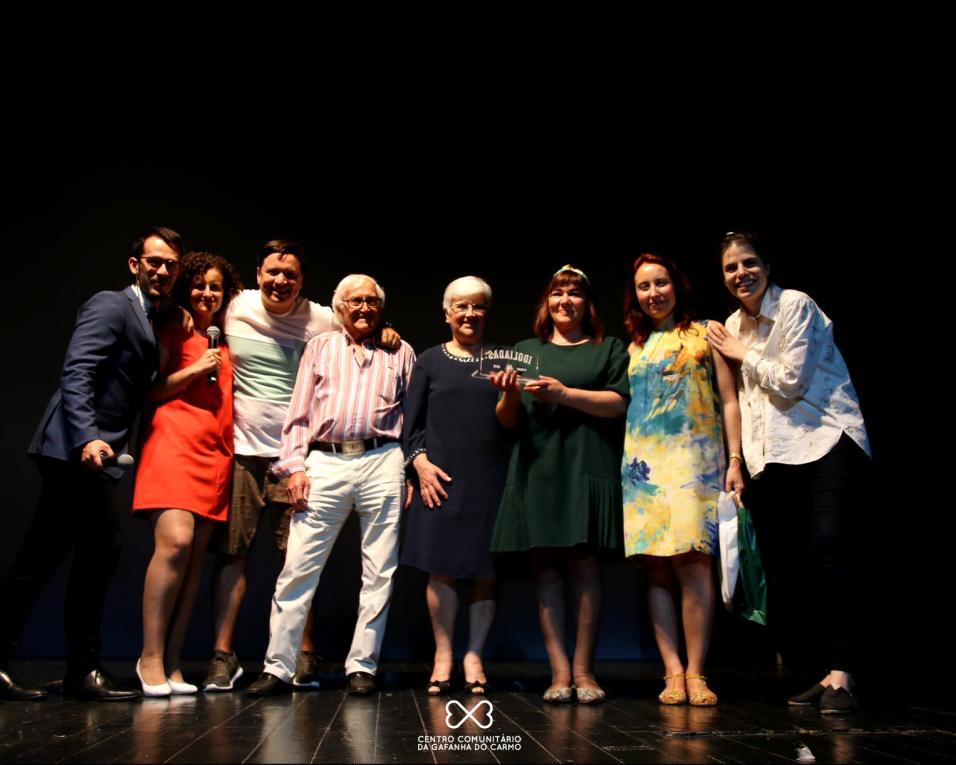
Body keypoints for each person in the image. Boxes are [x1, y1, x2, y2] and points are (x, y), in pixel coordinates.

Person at [204, 241, 399, 693]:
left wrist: (386, 328)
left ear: (302, 281)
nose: (280, 281)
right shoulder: (237, 306)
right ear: (257, 273)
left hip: (327, 458)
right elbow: (301, 406)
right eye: (272, 272)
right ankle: (233, 657)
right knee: (246, 555)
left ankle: (313, 659)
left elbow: (364, 321)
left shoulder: (327, 321)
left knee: (310, 558)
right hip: (258, 452)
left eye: (289, 274)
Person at [0, 226, 184, 702]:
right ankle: (83, 671)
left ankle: (69, 668)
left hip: (87, 455)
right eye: (154, 262)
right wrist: (88, 438)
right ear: (135, 265)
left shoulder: (150, 316)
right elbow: (77, 372)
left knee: (41, 560)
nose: (162, 271)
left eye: (170, 265)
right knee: (100, 550)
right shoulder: (112, 304)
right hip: (74, 452)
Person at [706, 231, 871, 715]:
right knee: (797, 564)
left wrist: (742, 353)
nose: (741, 274)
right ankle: (828, 672)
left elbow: (790, 380)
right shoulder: (734, 323)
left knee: (830, 547)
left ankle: (846, 670)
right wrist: (737, 461)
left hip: (827, 438)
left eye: (749, 263)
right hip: (774, 455)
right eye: (731, 268)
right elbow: (740, 402)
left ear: (767, 266)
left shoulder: (796, 305)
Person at [246, 274, 415, 697]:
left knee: (380, 570)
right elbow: (298, 413)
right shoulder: (320, 347)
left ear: (381, 307)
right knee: (298, 568)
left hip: (383, 458)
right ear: (339, 308)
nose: (363, 308)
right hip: (325, 459)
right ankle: (278, 667)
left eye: (371, 301)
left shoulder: (402, 351)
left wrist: (410, 470)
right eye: (355, 301)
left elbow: (415, 419)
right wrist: (295, 468)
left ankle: (363, 665)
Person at [489, 265, 629, 705]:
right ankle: (559, 672)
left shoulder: (608, 348)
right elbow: (507, 419)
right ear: (545, 302)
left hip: (586, 464)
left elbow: (618, 404)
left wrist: (564, 394)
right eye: (556, 293)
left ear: (588, 303)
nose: (564, 301)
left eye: (574, 294)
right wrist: (510, 394)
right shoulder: (526, 349)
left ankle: (585, 671)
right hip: (538, 467)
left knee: (585, 566)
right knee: (545, 568)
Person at [621, 254, 745, 707]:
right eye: (643, 286)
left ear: (677, 284)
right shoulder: (633, 347)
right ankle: (671, 671)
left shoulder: (707, 332)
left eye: (660, 283)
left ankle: (696, 671)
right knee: (656, 566)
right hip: (644, 467)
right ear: (635, 295)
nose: (653, 293)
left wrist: (735, 458)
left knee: (694, 564)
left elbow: (730, 401)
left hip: (697, 461)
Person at [132, 252, 242, 696]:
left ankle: (174, 662)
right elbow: (150, 390)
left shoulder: (230, 342)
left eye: (215, 287)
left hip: (215, 455)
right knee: (174, 543)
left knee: (195, 562)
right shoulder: (169, 327)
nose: (207, 294)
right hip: (172, 444)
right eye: (199, 286)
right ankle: (149, 658)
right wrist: (196, 368)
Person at [401, 276, 509, 696]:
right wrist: (421, 465)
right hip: (439, 481)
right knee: (440, 569)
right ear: (446, 313)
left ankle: (474, 654)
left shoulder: (504, 359)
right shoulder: (428, 360)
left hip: (492, 477)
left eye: (478, 306)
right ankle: (444, 654)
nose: (469, 314)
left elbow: (513, 420)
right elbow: (412, 426)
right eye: (461, 306)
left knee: (486, 571)